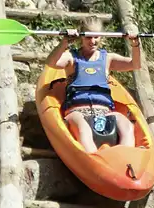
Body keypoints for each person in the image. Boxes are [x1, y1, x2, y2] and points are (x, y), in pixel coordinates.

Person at [45, 16, 141, 153]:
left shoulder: (108, 58)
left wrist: (135, 44)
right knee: (83, 129)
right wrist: (65, 42)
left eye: (96, 37)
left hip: (104, 112)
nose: (93, 41)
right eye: (88, 37)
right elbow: (51, 63)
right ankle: (93, 157)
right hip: (77, 112)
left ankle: (124, 158)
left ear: (102, 37)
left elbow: (135, 64)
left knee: (127, 126)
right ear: (81, 37)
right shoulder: (71, 57)